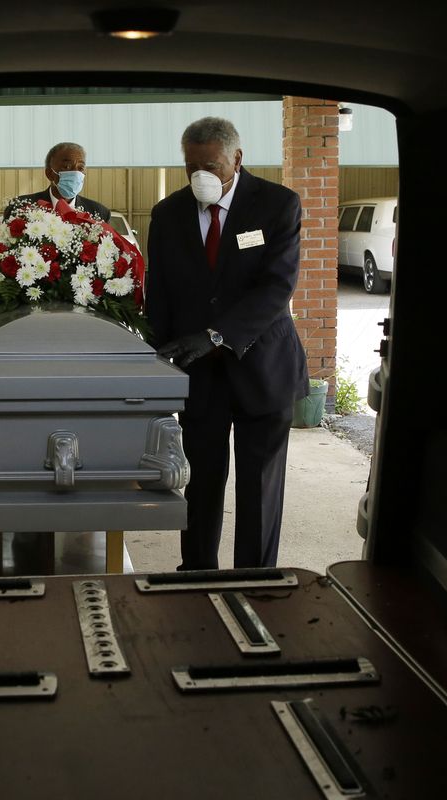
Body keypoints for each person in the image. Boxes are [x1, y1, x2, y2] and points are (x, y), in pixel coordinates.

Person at [147, 117, 308, 570]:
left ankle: (254, 581)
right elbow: (158, 290)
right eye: (191, 165)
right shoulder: (168, 214)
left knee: (259, 486)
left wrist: (217, 335)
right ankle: (196, 574)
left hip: (263, 369)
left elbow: (278, 287)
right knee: (200, 482)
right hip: (198, 374)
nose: (202, 175)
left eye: (212, 165)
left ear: (237, 158)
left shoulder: (278, 204)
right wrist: (160, 359)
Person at [7, 142, 110, 222]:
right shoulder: (21, 207)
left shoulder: (99, 213)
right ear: (49, 173)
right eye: (66, 167)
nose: (75, 173)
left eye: (80, 168)